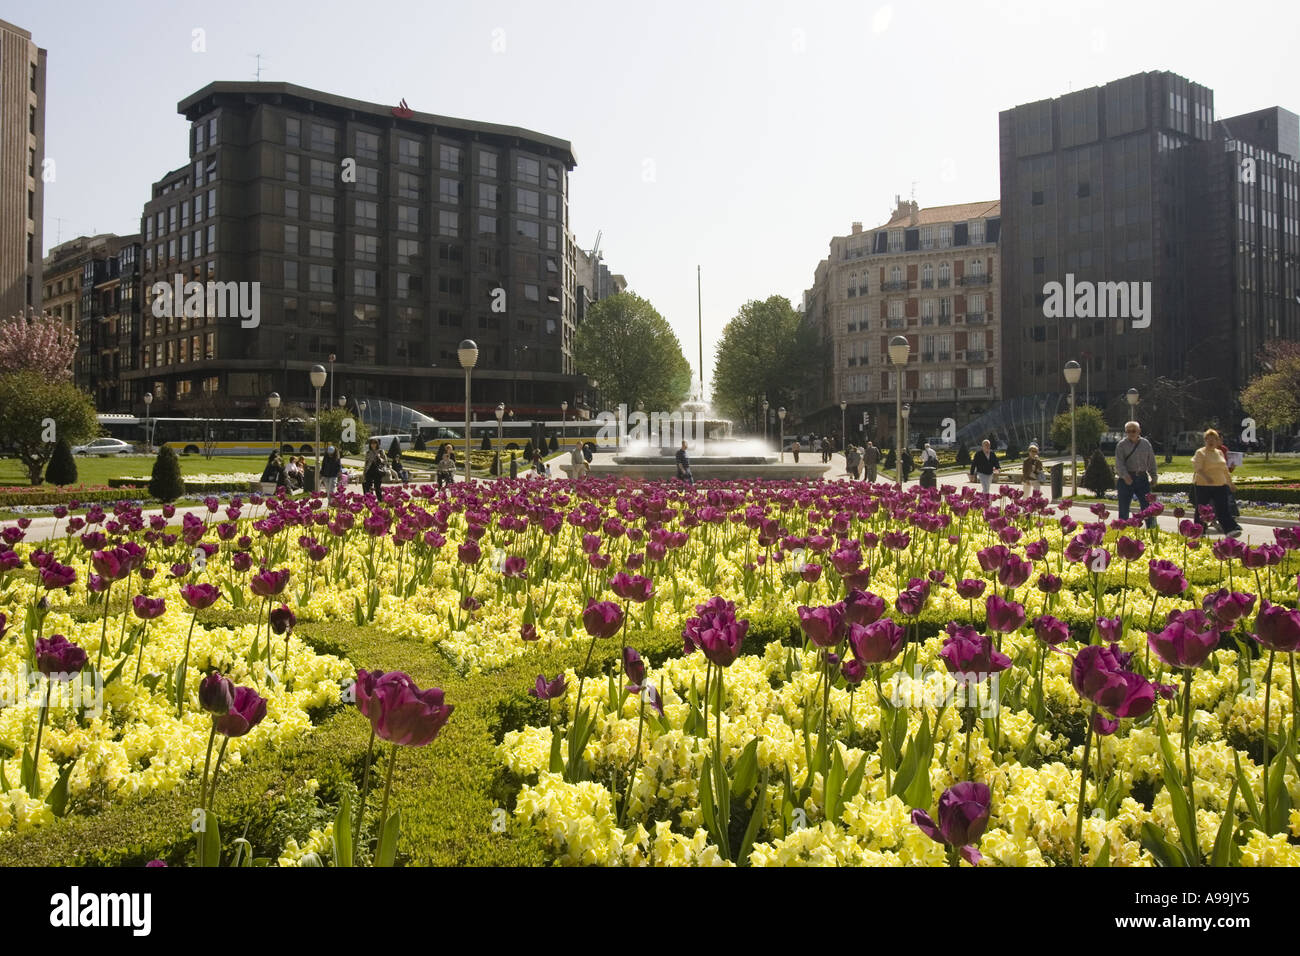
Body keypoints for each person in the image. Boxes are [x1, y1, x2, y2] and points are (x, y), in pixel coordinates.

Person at [1192, 428, 1242, 537]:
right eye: (1208, 439)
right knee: (1201, 509)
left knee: (1223, 508)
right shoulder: (1200, 452)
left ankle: (1230, 530)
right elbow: (1198, 468)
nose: (1211, 442)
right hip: (1203, 486)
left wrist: (1230, 484)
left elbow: (1224, 470)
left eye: (1213, 439)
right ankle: (1198, 531)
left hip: (1220, 485)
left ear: (1217, 441)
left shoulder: (1219, 453)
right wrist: (1206, 477)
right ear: (1205, 441)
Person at [1114, 421, 1159, 529]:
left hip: (1142, 479)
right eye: (1128, 431)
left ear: (1139, 431)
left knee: (1147, 508)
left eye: (1133, 431)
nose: (1131, 433)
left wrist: (1154, 476)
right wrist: (1125, 476)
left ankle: (1152, 531)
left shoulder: (1146, 444)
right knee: (1124, 509)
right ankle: (1122, 533)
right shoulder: (1121, 445)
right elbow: (1119, 463)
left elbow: (1151, 461)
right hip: (1126, 480)